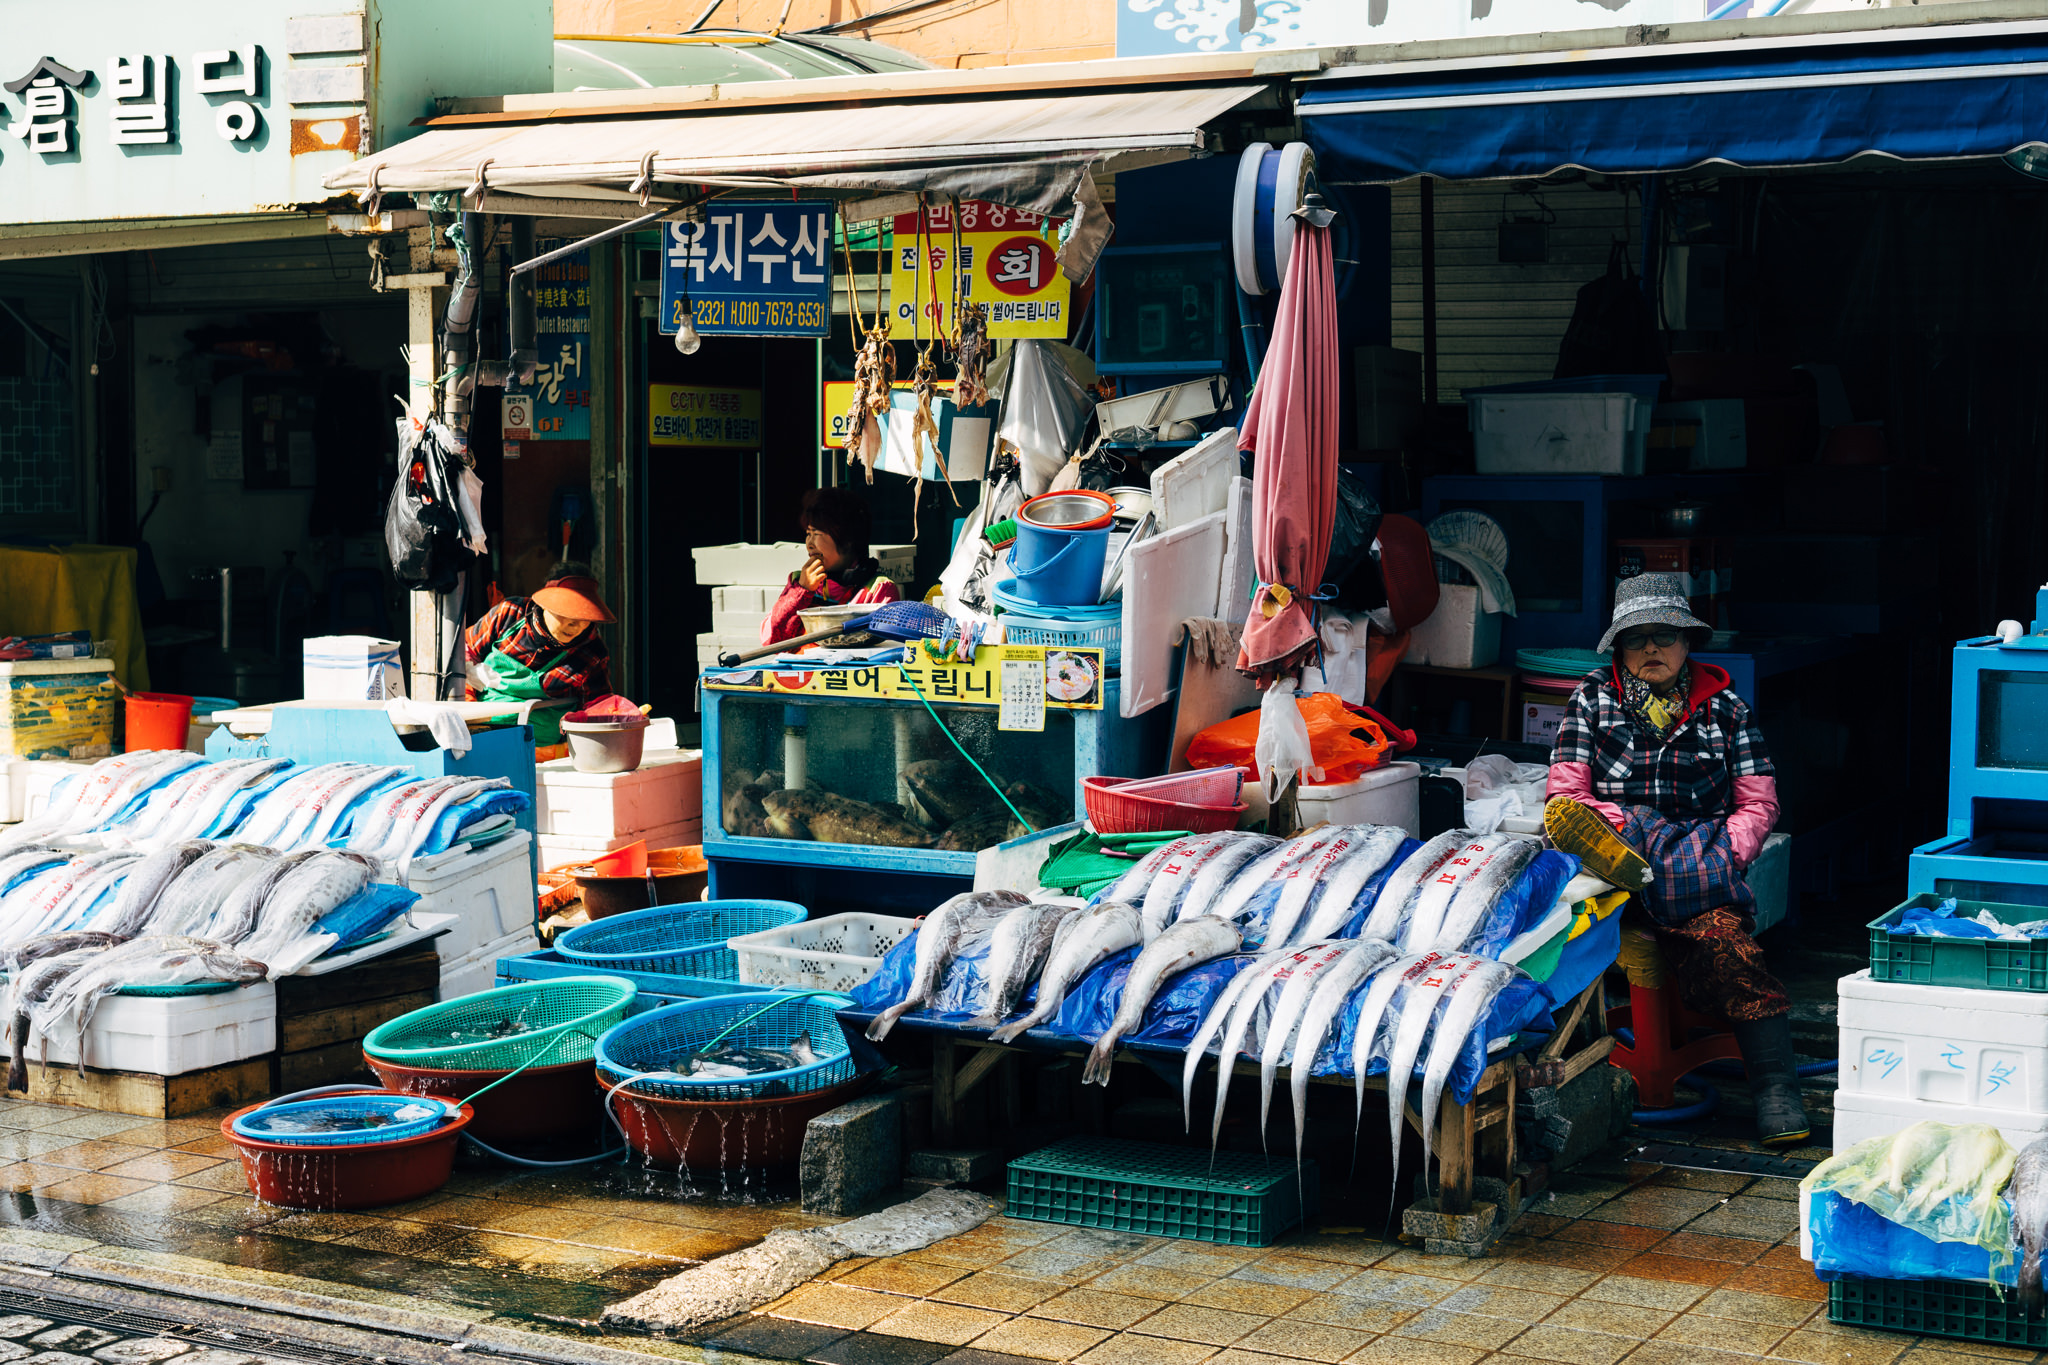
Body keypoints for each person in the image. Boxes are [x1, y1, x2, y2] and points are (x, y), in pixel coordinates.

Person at [1542, 572, 1803, 1144]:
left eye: (1666, 636)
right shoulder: (1591, 699)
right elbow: (1566, 795)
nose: (1652, 649)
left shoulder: (1726, 708)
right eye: (1637, 639)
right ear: (1620, 650)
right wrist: (1630, 838)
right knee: (1541, 933)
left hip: (1699, 866)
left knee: (1732, 946)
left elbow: (1758, 803)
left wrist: (1726, 853)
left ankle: (1775, 1087)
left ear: (1688, 644)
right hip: (1612, 866)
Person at [464, 571, 614, 747]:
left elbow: (597, 706)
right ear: (545, 606)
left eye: (584, 617)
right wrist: (468, 711)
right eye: (567, 614)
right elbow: (466, 652)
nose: (576, 625)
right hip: (483, 729)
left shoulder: (592, 651)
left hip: (543, 746)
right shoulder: (510, 613)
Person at [762, 487, 900, 646]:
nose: (809, 544)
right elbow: (771, 640)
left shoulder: (878, 589)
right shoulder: (799, 582)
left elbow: (885, 647)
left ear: (847, 540)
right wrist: (801, 592)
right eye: (808, 534)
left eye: (816, 534)